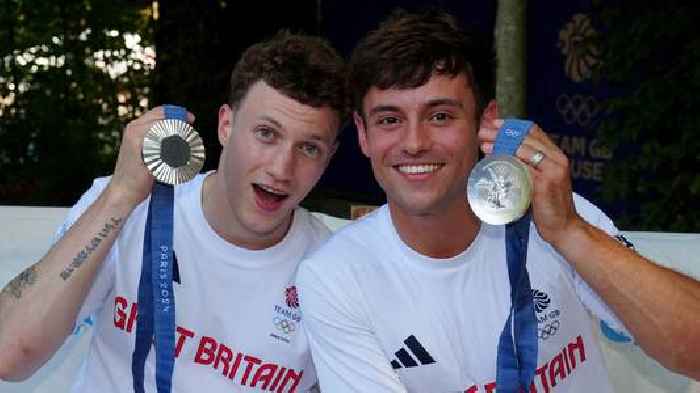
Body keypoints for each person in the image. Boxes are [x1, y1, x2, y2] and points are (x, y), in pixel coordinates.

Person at [296, 9, 700, 392]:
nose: (415, 143)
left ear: (486, 123)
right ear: (363, 135)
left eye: (440, 116)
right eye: (389, 120)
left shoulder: (556, 216)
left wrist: (571, 233)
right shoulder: (335, 277)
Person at [0, 31, 348, 393]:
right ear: (226, 125)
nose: (281, 168)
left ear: (329, 157)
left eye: (309, 148)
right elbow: (9, 353)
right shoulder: (129, 205)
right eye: (266, 133)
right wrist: (120, 196)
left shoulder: (333, 268)